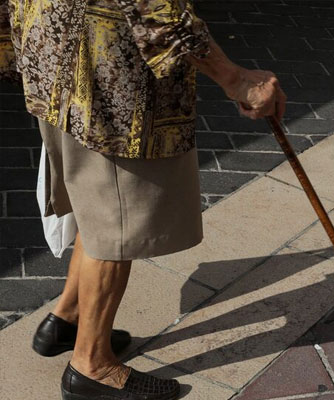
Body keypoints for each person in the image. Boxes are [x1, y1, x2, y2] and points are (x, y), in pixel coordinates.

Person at [0, 0, 286, 398]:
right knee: (119, 217)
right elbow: (154, 6)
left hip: (52, 43)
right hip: (107, 72)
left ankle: (67, 319)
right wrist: (236, 78)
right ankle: (91, 365)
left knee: (98, 200)